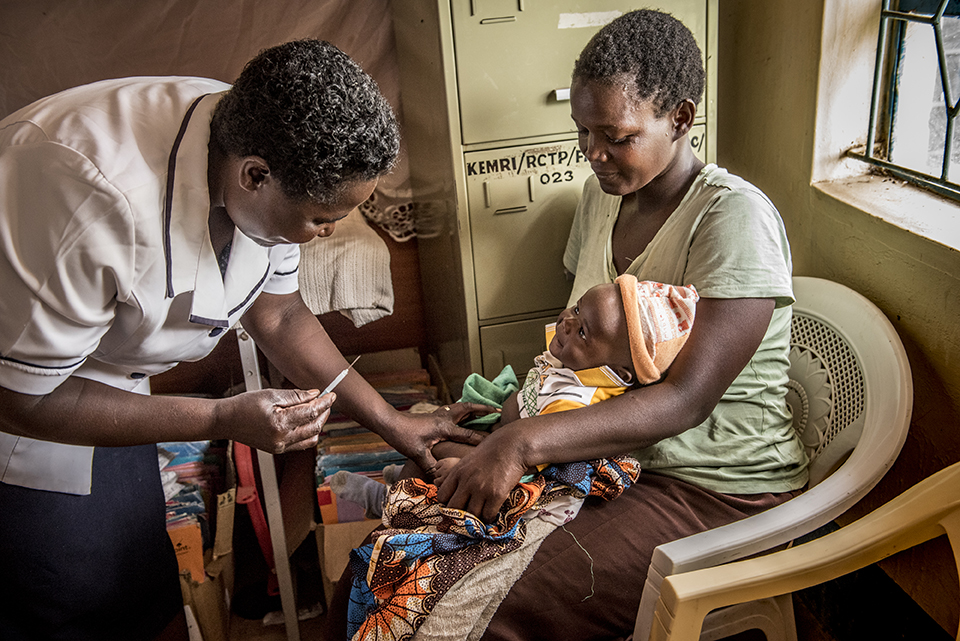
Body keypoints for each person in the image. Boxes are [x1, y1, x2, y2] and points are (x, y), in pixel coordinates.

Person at [326, 9, 809, 640]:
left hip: (712, 488)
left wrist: (521, 444)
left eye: (616, 135)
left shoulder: (732, 220)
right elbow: (576, 356)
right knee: (388, 560)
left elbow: (687, 400)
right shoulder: (600, 199)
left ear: (681, 119)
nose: (593, 155)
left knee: (474, 604)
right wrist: (511, 419)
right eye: (583, 132)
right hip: (613, 459)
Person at [0, 39, 486, 641]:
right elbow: (23, 399)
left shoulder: (262, 145)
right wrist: (222, 417)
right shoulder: (86, 196)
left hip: (100, 380)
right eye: (320, 218)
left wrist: (391, 421)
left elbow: (278, 316)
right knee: (67, 593)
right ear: (255, 176)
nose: (328, 232)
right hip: (23, 408)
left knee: (137, 580)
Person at [331, 275, 699, 518]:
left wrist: (469, 463)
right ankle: (405, 483)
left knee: (441, 450)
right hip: (500, 438)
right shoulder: (571, 361)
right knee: (436, 435)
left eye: (583, 330)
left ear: (618, 373)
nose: (567, 322)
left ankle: (393, 503)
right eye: (575, 308)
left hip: (524, 476)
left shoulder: (577, 400)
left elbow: (541, 471)